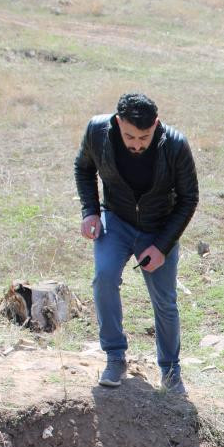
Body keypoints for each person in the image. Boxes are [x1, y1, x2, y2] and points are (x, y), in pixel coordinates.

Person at [74, 92, 199, 393]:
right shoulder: (97, 131)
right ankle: (115, 357)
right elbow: (83, 167)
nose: (137, 144)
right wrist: (90, 211)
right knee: (104, 278)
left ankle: (170, 370)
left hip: (158, 227)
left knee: (165, 301)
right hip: (115, 219)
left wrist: (162, 246)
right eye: (130, 136)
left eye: (144, 137)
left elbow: (188, 198)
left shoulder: (175, 144)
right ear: (118, 122)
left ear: (156, 124)